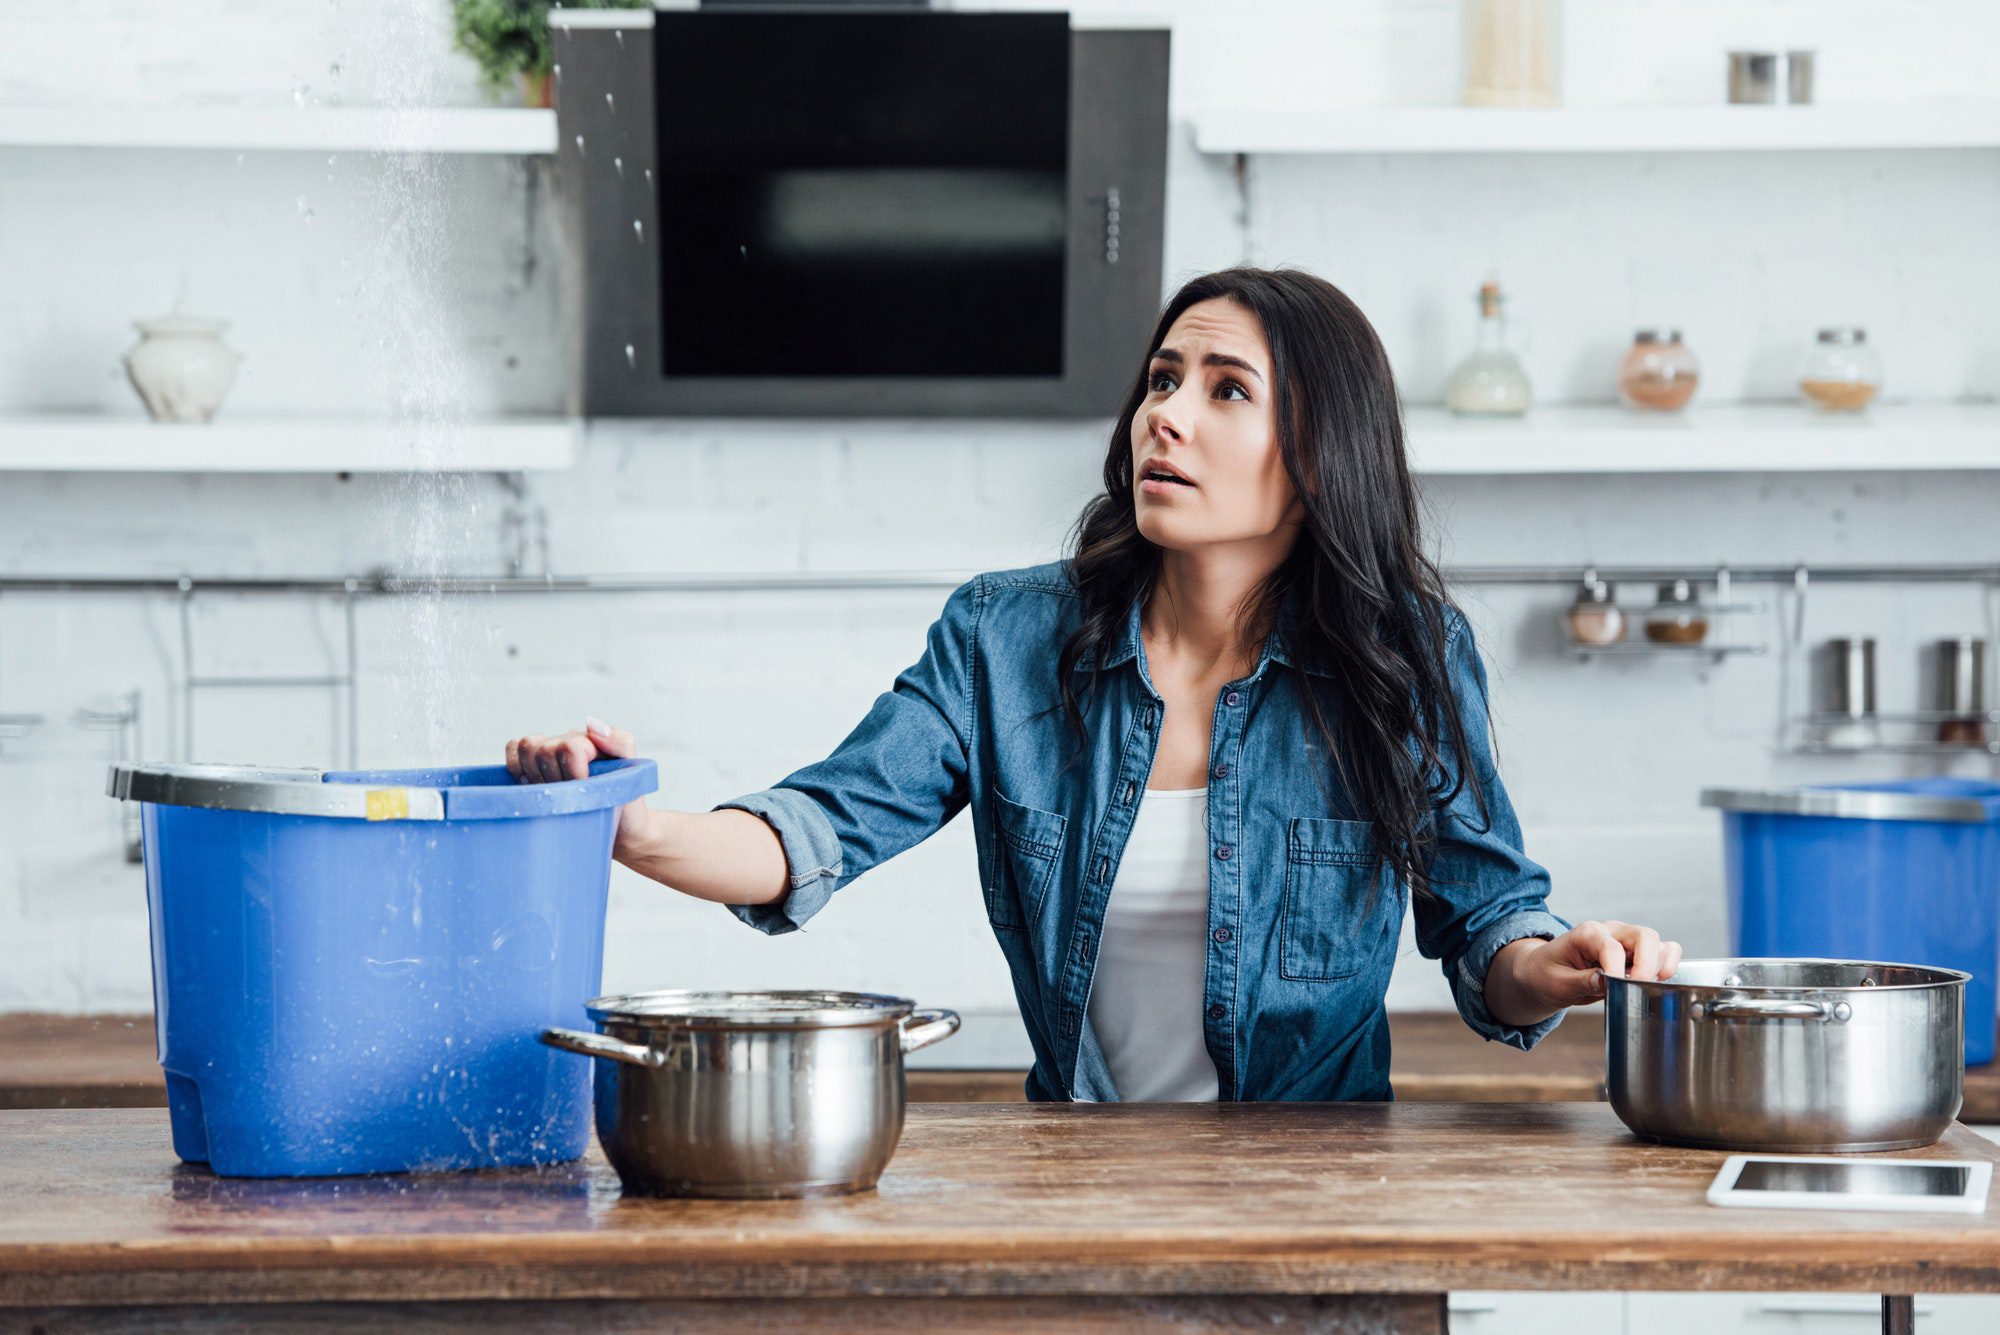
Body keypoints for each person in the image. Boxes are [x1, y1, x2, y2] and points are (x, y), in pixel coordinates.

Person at [506, 266, 1682, 1102]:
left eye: (1225, 390)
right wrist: (634, 828)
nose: (1162, 414)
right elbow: (816, 827)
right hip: (1083, 1171)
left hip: (1323, 1190)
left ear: (1322, 456)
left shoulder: (1407, 655)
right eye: (1162, 379)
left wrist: (1562, 969)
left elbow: (1486, 929)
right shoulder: (1005, 637)